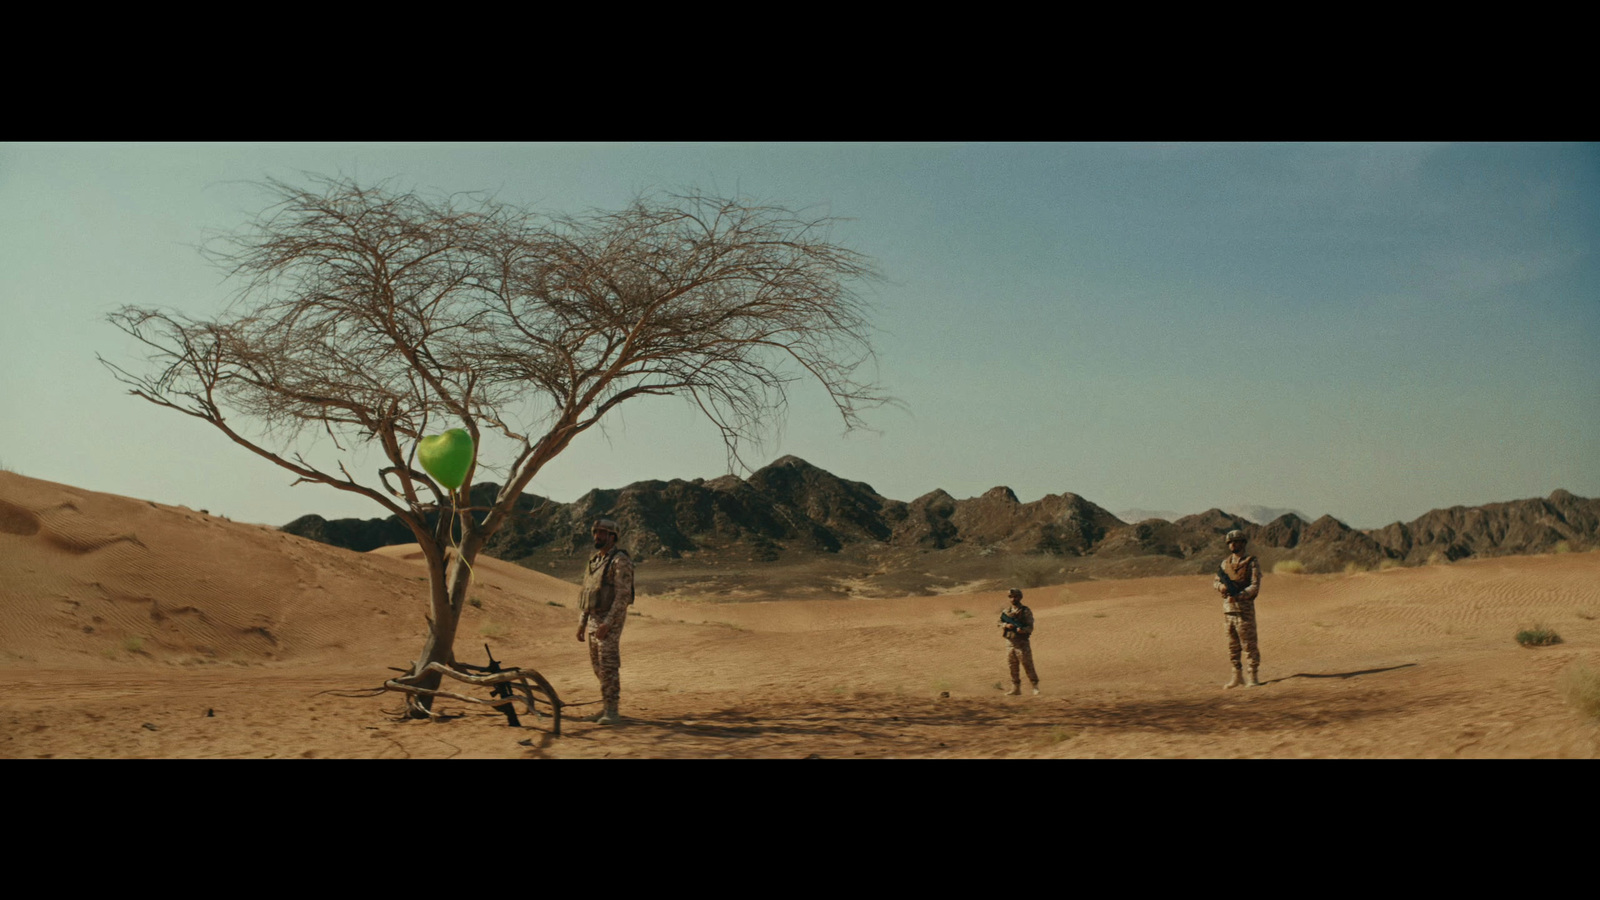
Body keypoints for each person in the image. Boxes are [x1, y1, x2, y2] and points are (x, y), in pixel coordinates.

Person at [575, 517, 635, 725]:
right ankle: (605, 707)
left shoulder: (620, 560)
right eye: (595, 532)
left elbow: (622, 596)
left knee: (608, 665)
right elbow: (588, 592)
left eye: (601, 533)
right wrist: (582, 623)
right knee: (597, 666)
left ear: (612, 537)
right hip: (593, 619)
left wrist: (608, 623)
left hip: (609, 621)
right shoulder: (594, 561)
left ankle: (612, 711)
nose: (596, 536)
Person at [1212, 529, 1263, 688]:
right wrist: (1220, 587)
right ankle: (1237, 676)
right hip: (1229, 610)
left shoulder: (1250, 562)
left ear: (1243, 543)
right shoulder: (1224, 564)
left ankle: (1252, 675)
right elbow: (1215, 581)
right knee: (1232, 645)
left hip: (1244, 610)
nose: (1233, 544)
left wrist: (1239, 595)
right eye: (1230, 542)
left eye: (1236, 541)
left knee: (1249, 644)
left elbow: (1254, 586)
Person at [999, 588, 1040, 696]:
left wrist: (1023, 630)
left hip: (1022, 643)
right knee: (1012, 666)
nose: (1013, 599)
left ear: (1020, 597)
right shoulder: (1006, 611)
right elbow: (999, 622)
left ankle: (1035, 686)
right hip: (1010, 643)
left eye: (1015, 597)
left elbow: (1030, 626)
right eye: (1011, 597)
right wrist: (1006, 625)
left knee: (1027, 664)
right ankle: (1016, 688)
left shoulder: (1025, 611)